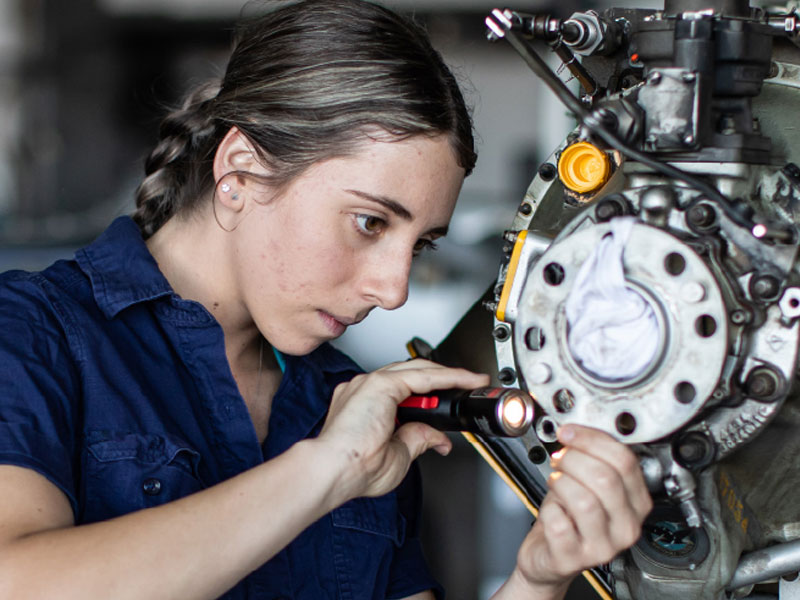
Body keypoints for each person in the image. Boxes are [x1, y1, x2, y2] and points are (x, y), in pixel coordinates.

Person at [0, 1, 652, 598]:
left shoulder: (347, 404)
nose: (392, 289)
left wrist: (538, 577)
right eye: (370, 223)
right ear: (240, 171)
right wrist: (325, 472)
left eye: (418, 245)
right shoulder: (33, 335)